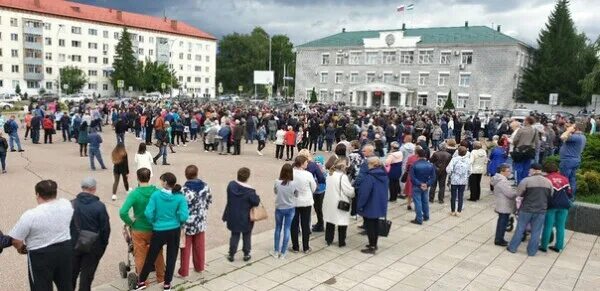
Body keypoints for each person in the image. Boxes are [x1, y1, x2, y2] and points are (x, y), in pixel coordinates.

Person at [9, 180, 74, 291]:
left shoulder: (30, 215)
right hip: (65, 250)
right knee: (66, 284)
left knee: (41, 287)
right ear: (55, 193)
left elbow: (16, 240)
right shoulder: (66, 204)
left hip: (40, 255)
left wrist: (21, 249)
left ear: (38, 194)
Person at [135, 172, 189, 291]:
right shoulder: (180, 197)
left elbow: (148, 213)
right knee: (171, 257)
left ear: (165, 182)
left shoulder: (156, 195)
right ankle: (167, 284)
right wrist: (178, 221)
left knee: (151, 257)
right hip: (174, 230)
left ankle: (142, 281)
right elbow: (184, 216)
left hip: (159, 230)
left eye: (161, 181)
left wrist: (154, 222)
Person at [119, 168, 166, 286]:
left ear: (137, 178)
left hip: (139, 229)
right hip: (155, 229)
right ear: (150, 177)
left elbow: (123, 212)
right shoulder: (157, 192)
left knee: (140, 255)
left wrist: (130, 222)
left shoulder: (134, 194)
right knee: (158, 253)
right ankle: (162, 278)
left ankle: (144, 282)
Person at [70, 177, 111, 291]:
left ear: (82, 187)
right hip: (93, 246)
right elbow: (105, 229)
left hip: (74, 244)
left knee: (71, 276)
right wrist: (102, 246)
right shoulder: (99, 206)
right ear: (94, 188)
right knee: (86, 278)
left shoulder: (71, 204)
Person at [507, 163, 553, 256]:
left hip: (526, 209)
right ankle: (532, 252)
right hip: (541, 210)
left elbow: (519, 193)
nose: (529, 171)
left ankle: (513, 247)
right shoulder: (548, 182)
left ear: (534, 170)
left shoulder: (526, 181)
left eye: (530, 170)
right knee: (536, 231)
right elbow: (550, 195)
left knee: (520, 229)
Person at [179, 165, 212, 277]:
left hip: (187, 223)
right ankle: (199, 266)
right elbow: (209, 201)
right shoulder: (206, 187)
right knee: (199, 246)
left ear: (186, 175)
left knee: (185, 248)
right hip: (200, 220)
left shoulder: (184, 190)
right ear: (197, 173)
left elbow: (180, 207)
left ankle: (184, 271)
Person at [222, 167, 260, 262]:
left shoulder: (231, 185)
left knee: (234, 235)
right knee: (247, 235)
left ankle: (231, 253)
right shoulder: (250, 191)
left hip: (233, 214)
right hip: (245, 216)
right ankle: (246, 253)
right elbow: (256, 202)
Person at [357, 157, 389, 254]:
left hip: (370, 204)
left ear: (371, 164)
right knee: (375, 224)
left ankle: (372, 246)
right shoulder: (384, 175)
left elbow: (364, 193)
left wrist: (360, 205)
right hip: (379, 203)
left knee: (370, 226)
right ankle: (374, 243)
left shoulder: (370, 177)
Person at [540, 161, 572, 253]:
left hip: (551, 205)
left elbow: (545, 194)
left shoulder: (546, 179)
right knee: (561, 226)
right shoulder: (565, 179)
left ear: (546, 170)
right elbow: (569, 193)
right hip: (564, 205)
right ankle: (559, 246)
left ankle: (544, 246)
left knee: (548, 226)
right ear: (557, 169)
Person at [323, 158, 355, 247]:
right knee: (342, 222)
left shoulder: (329, 174)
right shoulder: (342, 177)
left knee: (330, 220)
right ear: (343, 167)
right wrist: (354, 191)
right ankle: (341, 241)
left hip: (329, 200)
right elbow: (349, 191)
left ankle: (328, 239)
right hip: (340, 202)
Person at [271, 163, 299, 259]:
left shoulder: (277, 182)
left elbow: (275, 191)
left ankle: (275, 251)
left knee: (278, 228)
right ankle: (283, 252)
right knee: (287, 229)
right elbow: (296, 195)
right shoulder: (294, 184)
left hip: (279, 207)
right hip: (290, 208)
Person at [290, 155, 317, 253]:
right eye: (306, 162)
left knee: (294, 224)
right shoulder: (308, 174)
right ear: (301, 163)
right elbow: (313, 187)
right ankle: (306, 247)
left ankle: (295, 246)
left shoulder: (290, 173)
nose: (307, 164)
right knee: (305, 224)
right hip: (306, 201)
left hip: (293, 201)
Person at [491, 164, 517, 246]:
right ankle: (499, 239)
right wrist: (516, 192)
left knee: (501, 222)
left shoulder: (498, 179)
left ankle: (499, 238)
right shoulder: (502, 181)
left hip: (501, 204)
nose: (510, 172)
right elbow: (510, 194)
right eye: (508, 171)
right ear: (502, 172)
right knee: (502, 223)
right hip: (504, 205)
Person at [559, 122, 586, 198]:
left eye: (573, 127)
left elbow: (562, 137)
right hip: (575, 159)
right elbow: (566, 140)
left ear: (576, 128)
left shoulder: (576, 137)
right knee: (572, 179)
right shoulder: (582, 137)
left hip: (568, 160)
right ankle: (571, 196)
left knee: (564, 178)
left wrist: (568, 130)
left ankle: (563, 197)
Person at [409, 149, 436, 225]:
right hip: (425, 186)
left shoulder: (414, 165)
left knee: (418, 202)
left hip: (417, 186)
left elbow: (412, 177)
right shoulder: (430, 165)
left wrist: (420, 184)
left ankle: (419, 218)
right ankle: (426, 216)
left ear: (417, 155)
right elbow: (433, 177)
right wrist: (427, 184)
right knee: (425, 201)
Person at [512, 116, 539, 184]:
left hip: (520, 150)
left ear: (527, 121)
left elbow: (515, 140)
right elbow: (537, 141)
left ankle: (519, 182)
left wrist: (516, 145)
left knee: (519, 167)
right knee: (526, 168)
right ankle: (525, 182)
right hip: (529, 151)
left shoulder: (521, 130)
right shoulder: (535, 130)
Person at [446, 146, 471, 216]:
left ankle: (453, 210)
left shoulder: (454, 159)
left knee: (453, 196)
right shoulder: (468, 160)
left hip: (454, 179)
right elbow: (470, 170)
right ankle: (459, 211)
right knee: (461, 195)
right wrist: (466, 176)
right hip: (463, 180)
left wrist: (450, 175)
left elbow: (449, 169)